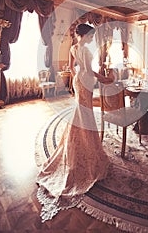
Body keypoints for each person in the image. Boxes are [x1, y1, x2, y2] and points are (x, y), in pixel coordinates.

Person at [36, 23, 113, 222]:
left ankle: (79, 141)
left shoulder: (73, 48)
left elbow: (72, 68)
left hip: (79, 80)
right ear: (83, 35)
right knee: (84, 113)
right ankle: (85, 147)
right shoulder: (85, 49)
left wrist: (79, 77)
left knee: (83, 112)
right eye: (89, 36)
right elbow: (90, 70)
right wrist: (102, 78)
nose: (90, 39)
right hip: (85, 80)